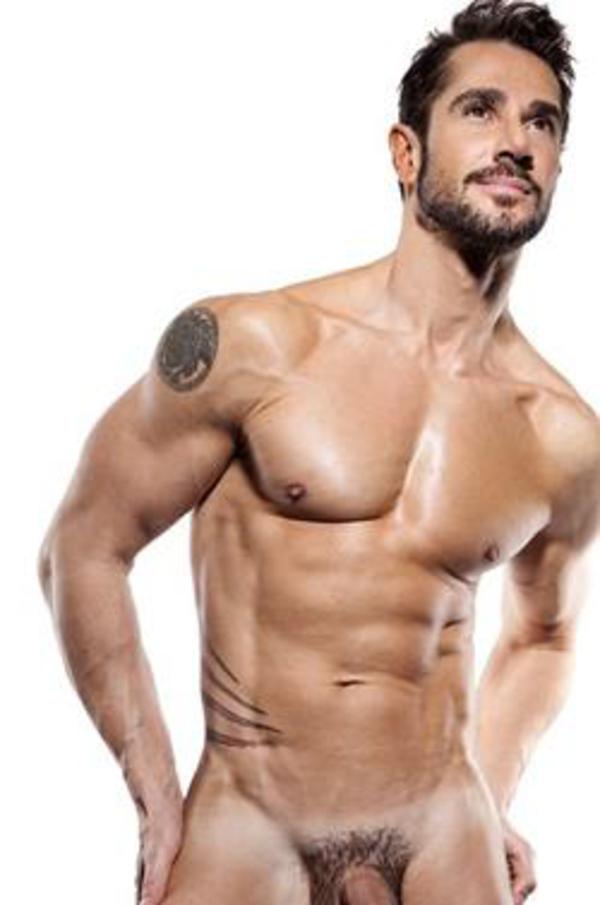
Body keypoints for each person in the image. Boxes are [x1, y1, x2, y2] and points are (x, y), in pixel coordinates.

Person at [37, 1, 600, 903]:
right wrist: (153, 793)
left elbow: (545, 634)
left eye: (542, 122)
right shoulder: (255, 345)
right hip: (249, 816)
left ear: (560, 165)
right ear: (406, 152)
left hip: (442, 826)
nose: (516, 142)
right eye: (480, 110)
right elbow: (85, 545)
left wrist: (491, 792)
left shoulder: (562, 434)